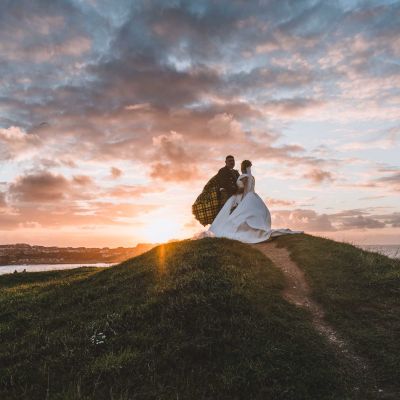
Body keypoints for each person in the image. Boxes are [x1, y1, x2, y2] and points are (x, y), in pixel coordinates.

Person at [208, 160, 302, 243]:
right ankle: (255, 230)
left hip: (244, 197)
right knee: (246, 217)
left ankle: (247, 232)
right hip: (253, 196)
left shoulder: (243, 177)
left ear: (243, 168)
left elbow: (243, 190)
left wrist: (238, 197)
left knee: (239, 217)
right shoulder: (252, 177)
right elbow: (250, 188)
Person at [192, 155, 240, 226]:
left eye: (233, 161)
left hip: (236, 195)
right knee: (225, 212)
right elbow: (223, 183)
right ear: (226, 162)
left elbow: (239, 182)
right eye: (230, 161)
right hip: (226, 195)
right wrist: (235, 190)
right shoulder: (222, 171)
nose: (232, 162)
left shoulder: (236, 172)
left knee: (236, 211)